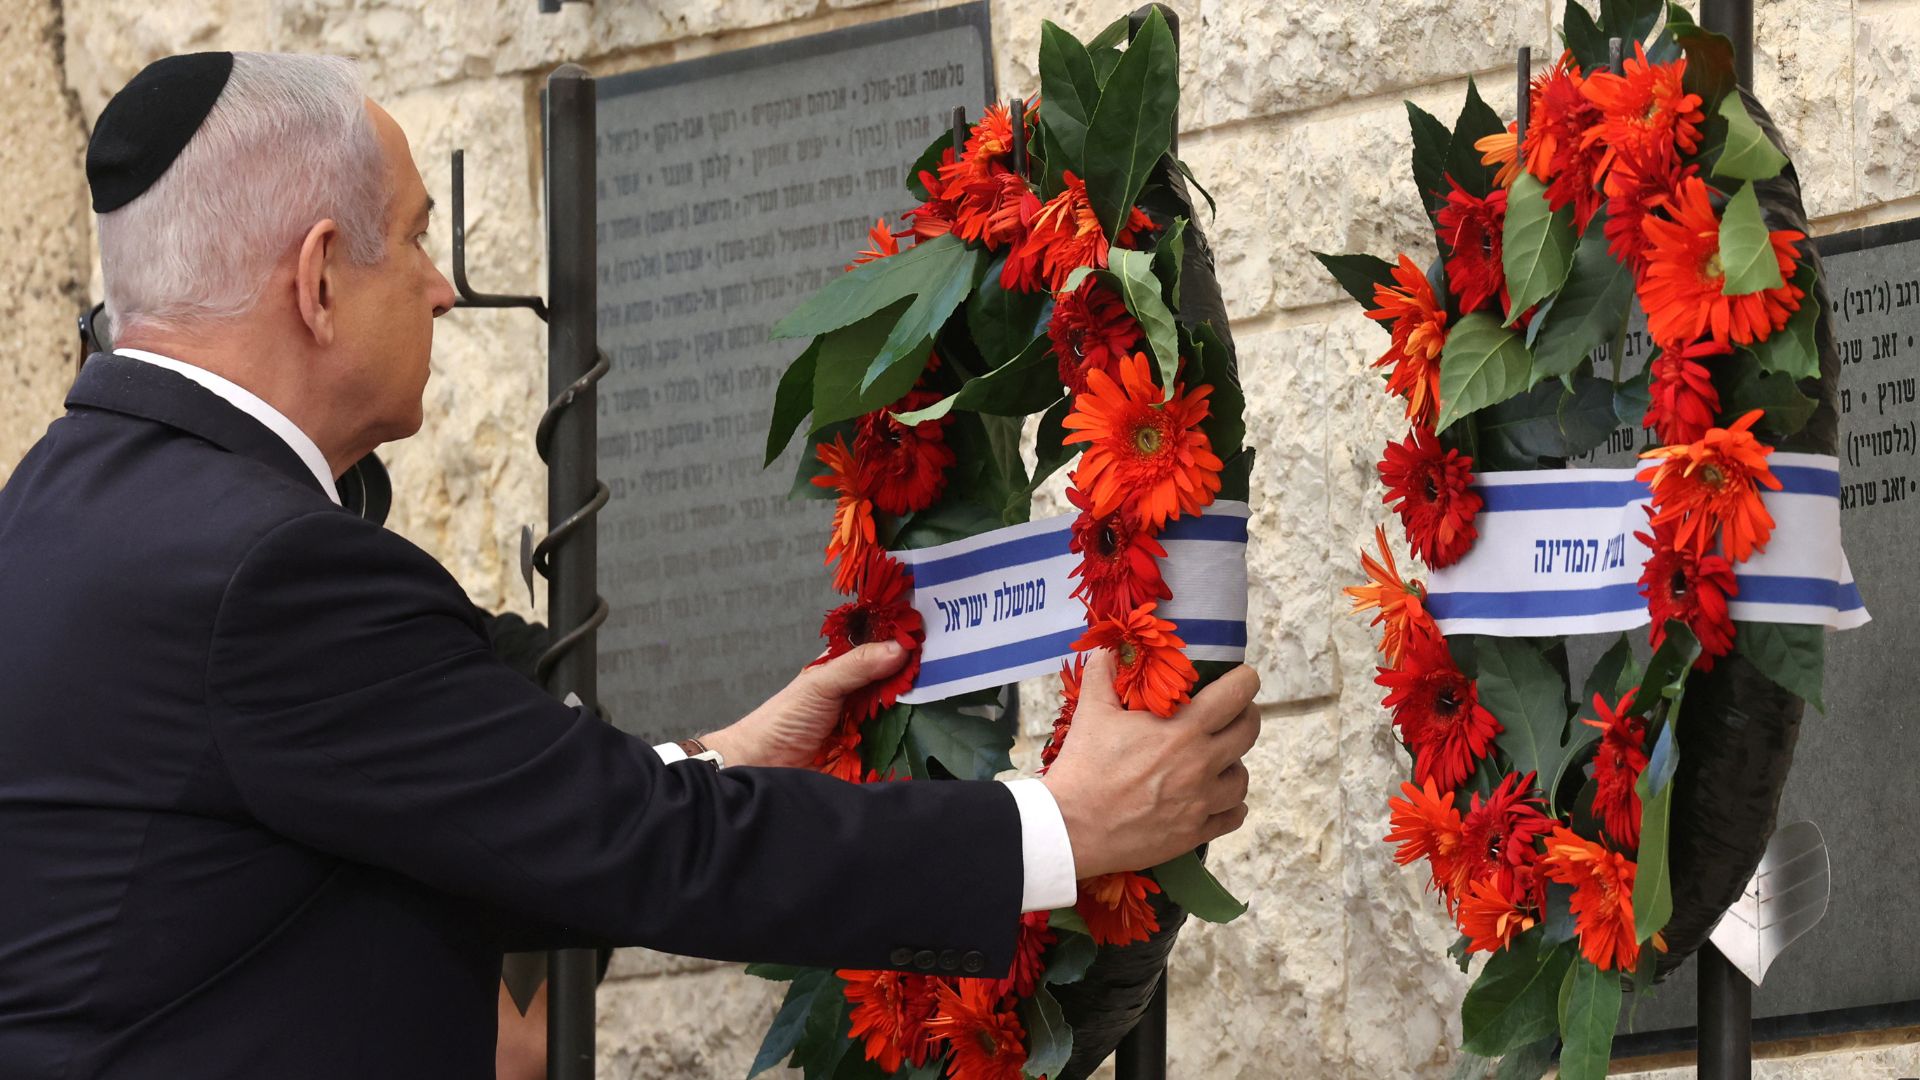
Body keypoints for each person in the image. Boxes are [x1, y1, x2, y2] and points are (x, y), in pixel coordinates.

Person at [0, 52, 1262, 1079]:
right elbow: (639, 853)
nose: (443, 292)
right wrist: (1061, 825)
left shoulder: (58, 513)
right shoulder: (265, 570)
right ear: (320, 278)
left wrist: (714, 759)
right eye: (416, 239)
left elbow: (449, 816)